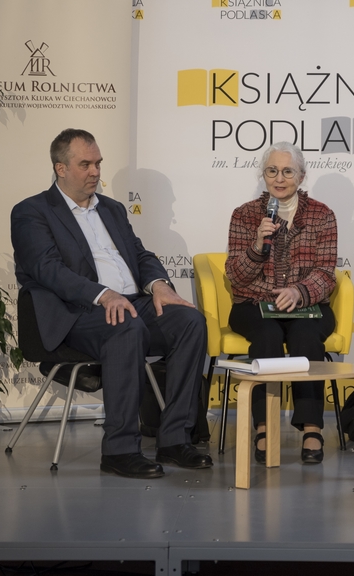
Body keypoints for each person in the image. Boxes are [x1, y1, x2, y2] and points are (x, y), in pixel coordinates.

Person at [11, 129, 212, 479]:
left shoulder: (113, 210)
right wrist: (104, 295)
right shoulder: (33, 211)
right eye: (85, 164)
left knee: (190, 322)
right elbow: (47, 269)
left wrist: (159, 286)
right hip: (77, 313)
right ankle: (120, 449)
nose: (95, 172)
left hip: (131, 303)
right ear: (60, 168)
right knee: (125, 325)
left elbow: (140, 254)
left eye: (98, 163)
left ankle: (174, 438)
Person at [225, 142, 338, 464]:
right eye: (272, 171)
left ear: (301, 176)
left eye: (287, 171)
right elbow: (236, 276)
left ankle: (312, 427)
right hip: (254, 304)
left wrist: (299, 292)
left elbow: (326, 273)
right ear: (263, 175)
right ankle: (264, 426)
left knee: (307, 336)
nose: (279, 178)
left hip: (307, 303)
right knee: (267, 335)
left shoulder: (322, 214)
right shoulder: (245, 214)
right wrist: (257, 245)